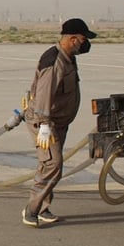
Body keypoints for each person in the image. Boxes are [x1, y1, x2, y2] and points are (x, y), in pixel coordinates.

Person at [21, 18, 96, 228]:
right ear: (72, 39)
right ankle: (31, 210)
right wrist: (44, 125)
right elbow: (44, 93)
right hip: (45, 123)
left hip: (58, 122)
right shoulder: (54, 61)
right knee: (52, 165)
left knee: (48, 165)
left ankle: (43, 207)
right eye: (83, 39)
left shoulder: (68, 58)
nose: (85, 43)